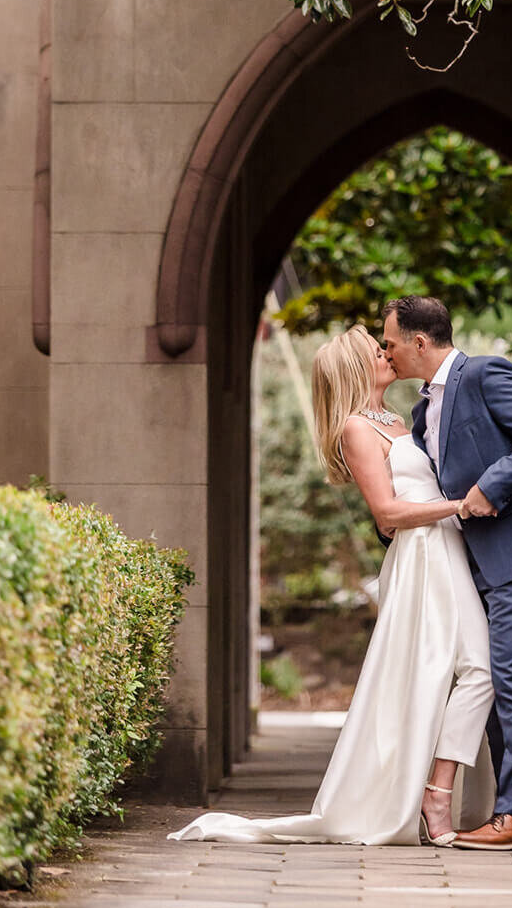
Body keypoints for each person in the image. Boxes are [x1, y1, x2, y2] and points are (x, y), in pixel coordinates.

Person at [167, 324, 494, 846]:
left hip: (449, 550)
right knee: (457, 670)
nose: (387, 354)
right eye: (376, 350)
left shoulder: (403, 419)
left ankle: (437, 790)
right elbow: (386, 514)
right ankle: (434, 796)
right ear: (353, 367)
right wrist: (460, 505)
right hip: (421, 559)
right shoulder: (356, 429)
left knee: (476, 670)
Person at [382, 295, 512, 853]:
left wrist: (491, 486)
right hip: (472, 564)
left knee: (511, 677)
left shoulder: (487, 373)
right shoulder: (422, 412)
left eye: (390, 342)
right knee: (491, 681)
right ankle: (506, 813)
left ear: (420, 342)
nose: (386, 352)